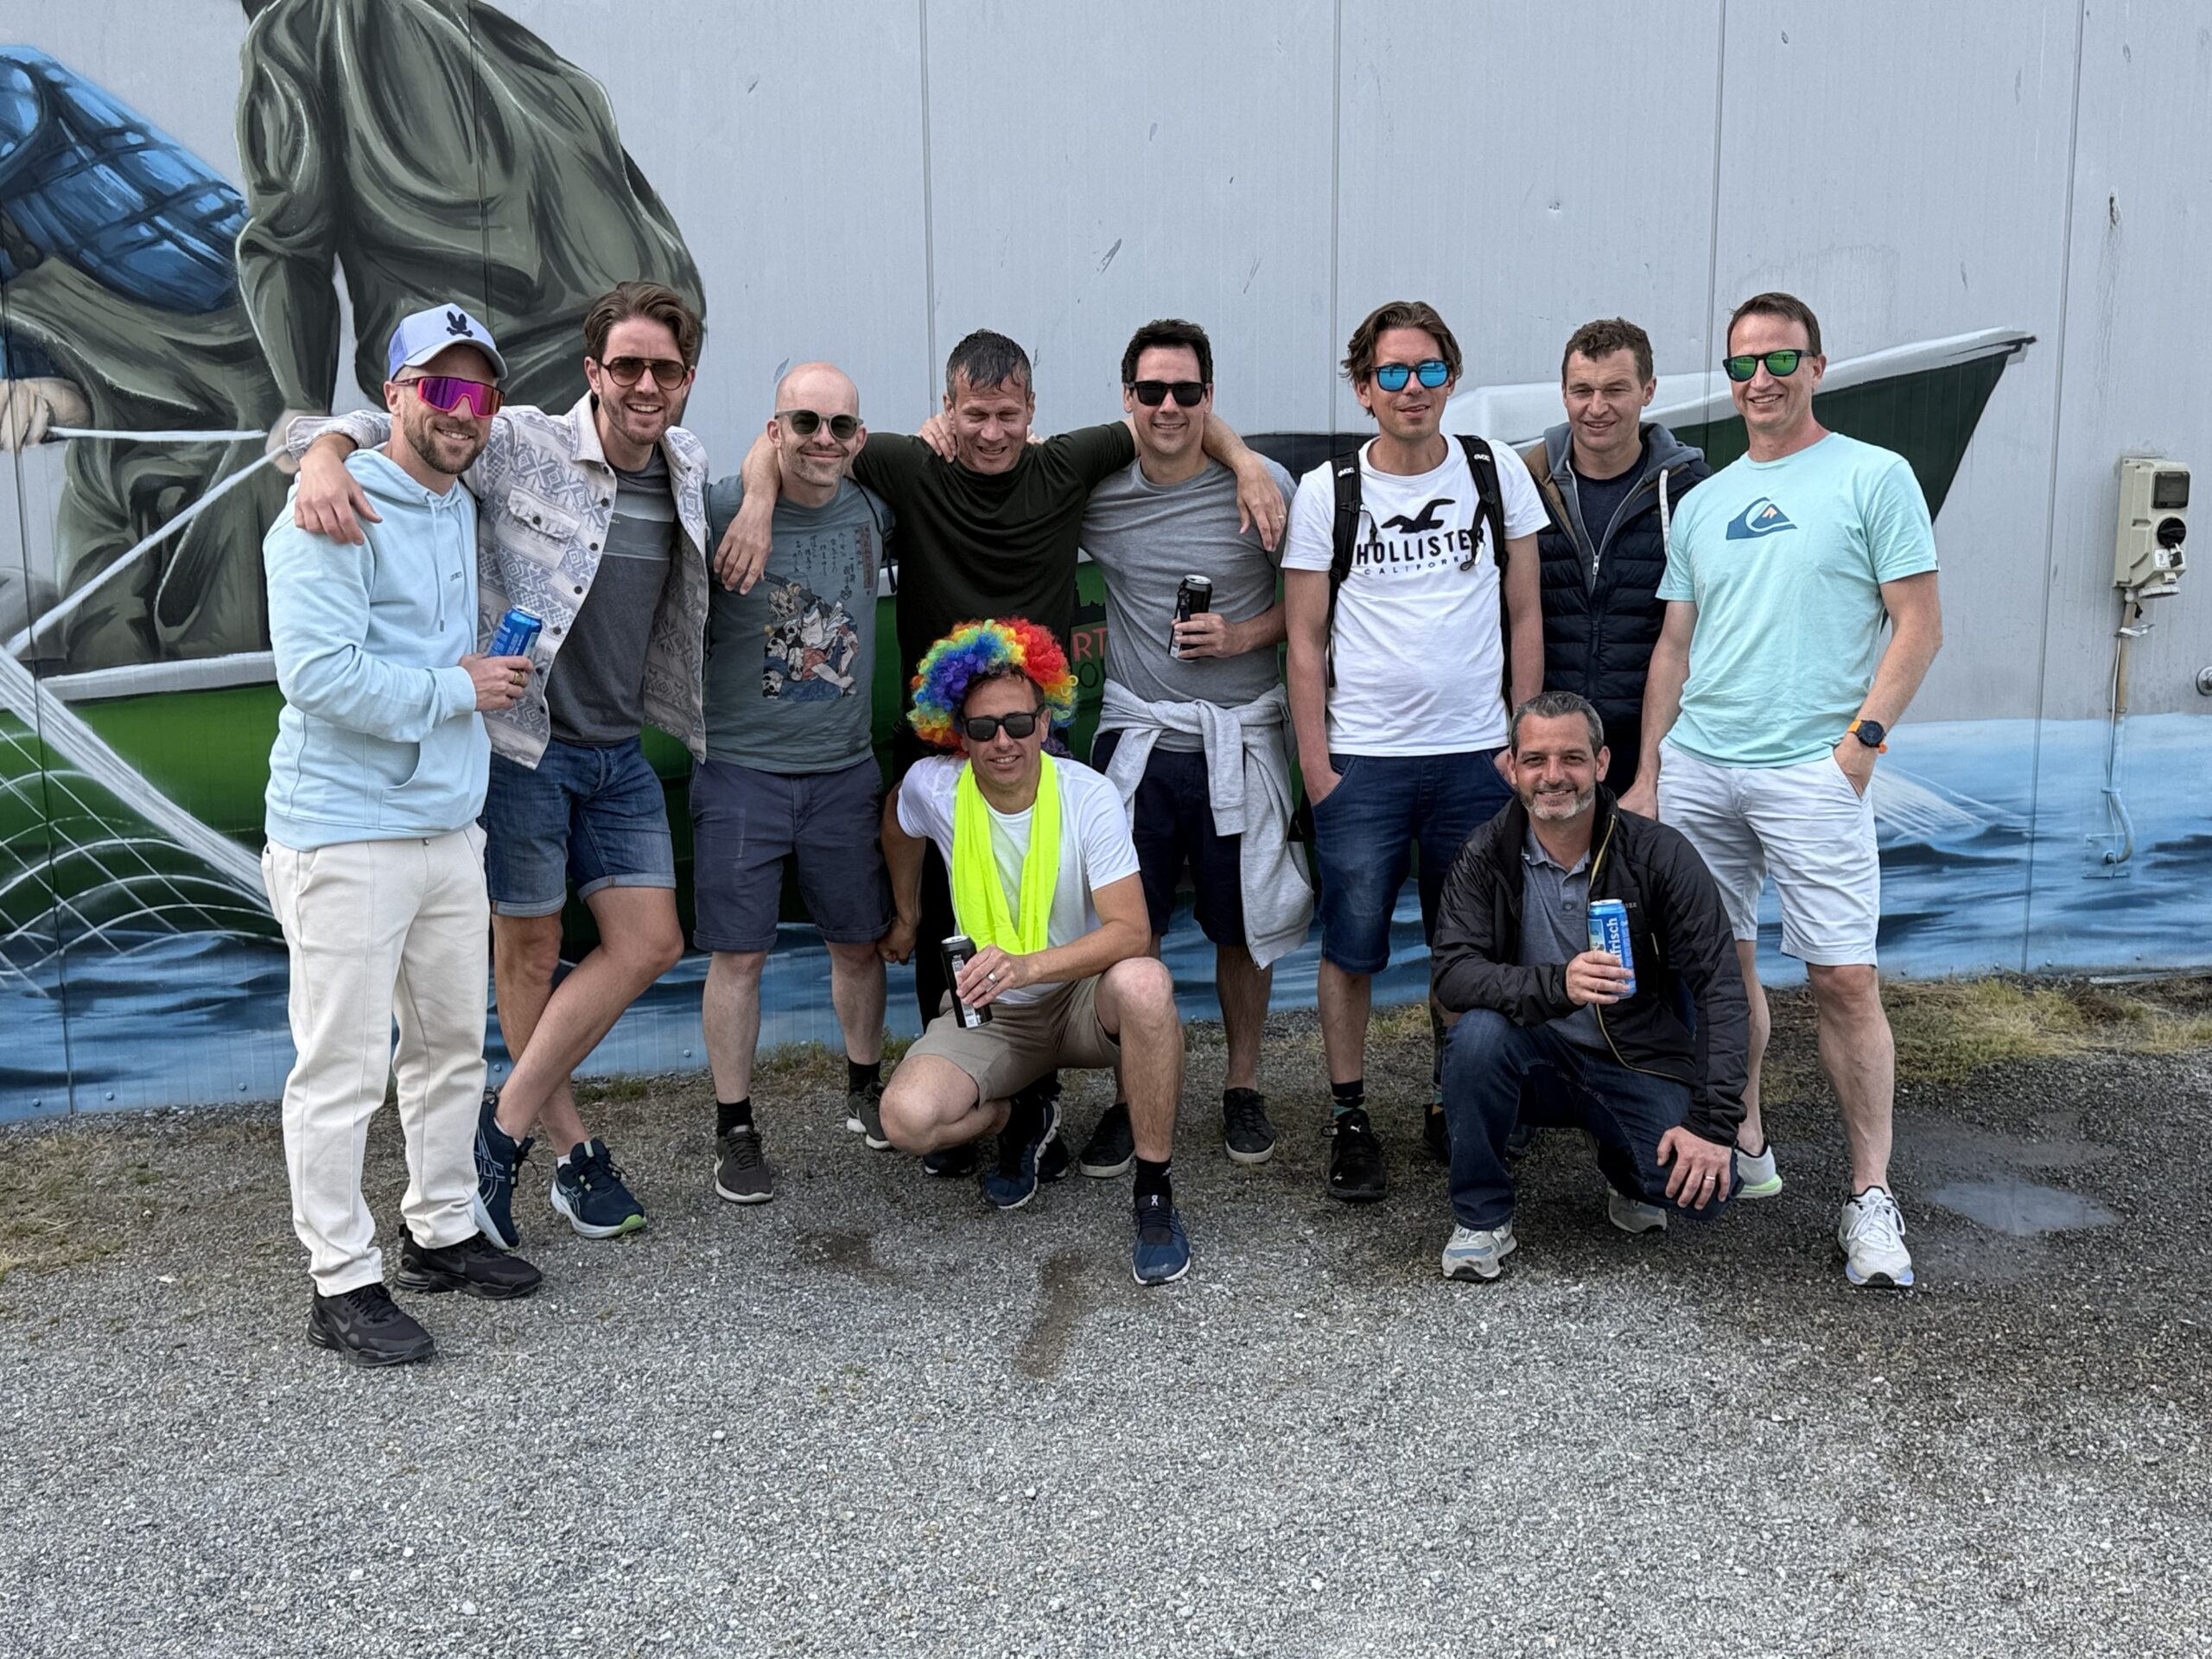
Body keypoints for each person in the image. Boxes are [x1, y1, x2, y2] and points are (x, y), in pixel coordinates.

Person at [283, 281, 714, 1251]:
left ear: (687, 381)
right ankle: (570, 1151)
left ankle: (500, 1125)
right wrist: (320, 454)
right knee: (526, 951)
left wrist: (762, 497)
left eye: (666, 369)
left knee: (651, 942)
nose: (646, 385)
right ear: (593, 371)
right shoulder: (518, 440)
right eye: (627, 366)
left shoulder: (686, 465)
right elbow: (404, 419)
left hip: (617, 751)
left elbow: (774, 455)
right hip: (521, 743)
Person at [716, 328, 1287, 1039]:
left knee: (1044, 903)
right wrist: (756, 504)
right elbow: (792, 440)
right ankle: (952, 1051)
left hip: (1035, 732)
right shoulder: (911, 464)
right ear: (947, 407)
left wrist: (1246, 464)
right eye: (975, 414)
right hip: (938, 735)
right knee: (945, 912)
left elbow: (1170, 415)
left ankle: (1039, 1073)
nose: (992, 433)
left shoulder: (1066, 464)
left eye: (1008, 415)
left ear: (1031, 410)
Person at [1619, 290, 1943, 1289]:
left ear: (1816, 366)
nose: (1759, 379)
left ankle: (1869, 1197)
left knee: (1842, 980)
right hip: (1700, 766)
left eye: (1779, 359)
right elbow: (1673, 647)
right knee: (1719, 970)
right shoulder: (1703, 501)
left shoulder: (1873, 476)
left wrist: (1860, 748)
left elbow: (1918, 623)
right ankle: (1744, 1138)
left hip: (1813, 771)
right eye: (1742, 364)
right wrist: (1649, 770)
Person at [260, 305, 543, 1363]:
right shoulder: (328, 507)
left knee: (448, 1050)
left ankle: (441, 1228)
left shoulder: (458, 495)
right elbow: (317, 677)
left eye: (480, 392)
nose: (462, 411)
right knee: (341, 1069)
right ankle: (340, 1281)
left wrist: (325, 441)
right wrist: (457, 689)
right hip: (345, 834)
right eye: (440, 387)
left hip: (447, 830)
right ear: (395, 396)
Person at [1281, 299, 1547, 1202]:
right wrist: (1317, 769)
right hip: (1362, 766)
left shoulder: (1494, 471)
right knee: (1351, 949)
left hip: (1477, 760)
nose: (1412, 388)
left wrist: (1523, 742)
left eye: (1429, 369)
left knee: (1463, 946)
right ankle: (1349, 1115)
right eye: (1391, 372)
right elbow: (1303, 640)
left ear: (1451, 378)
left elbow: (1524, 615)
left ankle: (1452, 1097)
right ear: (1363, 389)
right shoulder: (1327, 492)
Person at [877, 620, 1191, 1286]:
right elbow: (898, 820)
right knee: (904, 1121)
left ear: (1045, 723)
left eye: (1019, 724)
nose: (1003, 741)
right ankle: (1018, 1112)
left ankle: (1155, 1195)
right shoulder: (934, 785)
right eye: (983, 727)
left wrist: (1028, 966)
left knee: (1145, 982)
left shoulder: (1088, 795)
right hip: (993, 1013)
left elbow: (1131, 931)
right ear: (957, 734)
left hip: (1080, 1002)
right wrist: (907, 915)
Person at [1081, 318, 1309, 1174]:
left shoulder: (1265, 487)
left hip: (1238, 739)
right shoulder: (1099, 492)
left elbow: (1317, 604)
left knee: (1240, 928)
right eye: (1152, 391)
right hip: (1139, 741)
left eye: (1186, 391)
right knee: (1125, 933)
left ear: (1210, 397)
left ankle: (1241, 1084)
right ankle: (1127, 1095)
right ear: (1127, 398)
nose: (1168, 407)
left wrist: (1243, 635)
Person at [1428, 692, 1746, 1281]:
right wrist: (1559, 983)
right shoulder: (1482, 853)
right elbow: (1453, 974)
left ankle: (1624, 1165)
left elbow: (1721, 990)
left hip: (1634, 1059)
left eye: (1572, 758)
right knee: (1475, 1037)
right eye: (1535, 760)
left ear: (1601, 764)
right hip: (1532, 1056)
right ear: (1512, 768)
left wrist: (1712, 1125)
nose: (1553, 776)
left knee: (1701, 1195)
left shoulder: (1660, 854)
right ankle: (1481, 1216)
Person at [696, 363, 893, 1203]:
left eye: (839, 426)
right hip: (742, 770)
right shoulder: (718, 508)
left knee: (858, 943)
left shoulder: (875, 509)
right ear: (773, 429)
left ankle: (865, 1086)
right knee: (739, 956)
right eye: (803, 422)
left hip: (844, 772)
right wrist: (755, 498)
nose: (823, 440)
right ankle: (734, 1128)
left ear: (859, 437)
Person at [1519, 319, 1713, 798]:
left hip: (1656, 748)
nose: (1597, 407)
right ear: (1563, 393)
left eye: (1615, 389)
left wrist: (1654, 767)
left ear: (1648, 390)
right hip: (1548, 750)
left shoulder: (1692, 492)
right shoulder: (1522, 486)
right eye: (1582, 390)